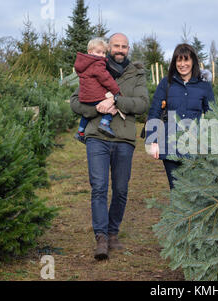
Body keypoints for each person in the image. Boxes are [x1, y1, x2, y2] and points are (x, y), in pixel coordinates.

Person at [70, 33, 149, 260]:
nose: (120, 49)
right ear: (109, 47)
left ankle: (113, 232)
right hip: (97, 138)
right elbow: (76, 103)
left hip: (124, 139)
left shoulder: (136, 73)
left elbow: (142, 104)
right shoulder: (93, 67)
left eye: (124, 46)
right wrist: (98, 109)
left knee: (121, 189)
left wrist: (116, 101)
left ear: (128, 48)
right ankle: (101, 237)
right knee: (99, 187)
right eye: (116, 45)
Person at [145, 43, 215, 190]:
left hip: (195, 145)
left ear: (193, 62)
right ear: (174, 63)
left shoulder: (204, 86)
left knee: (194, 190)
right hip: (170, 144)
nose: (182, 64)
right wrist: (153, 141)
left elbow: (212, 114)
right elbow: (154, 112)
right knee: (176, 189)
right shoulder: (167, 83)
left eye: (186, 60)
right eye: (179, 60)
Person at [74, 37, 121, 143]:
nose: (102, 55)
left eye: (104, 53)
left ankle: (80, 132)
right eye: (99, 52)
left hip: (85, 96)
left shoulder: (84, 64)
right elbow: (106, 79)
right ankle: (104, 123)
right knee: (111, 105)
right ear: (90, 52)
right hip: (96, 95)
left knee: (86, 114)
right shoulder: (98, 63)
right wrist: (116, 91)